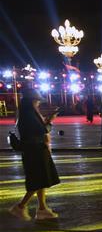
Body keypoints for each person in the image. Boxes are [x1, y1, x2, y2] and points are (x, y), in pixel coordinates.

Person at [9, 90, 60, 220]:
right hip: (34, 150)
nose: (38, 103)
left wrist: (47, 121)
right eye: (37, 101)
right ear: (31, 101)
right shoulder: (29, 114)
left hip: (35, 149)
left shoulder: (27, 113)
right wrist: (50, 121)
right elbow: (42, 130)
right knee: (37, 180)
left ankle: (42, 209)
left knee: (41, 178)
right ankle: (20, 207)